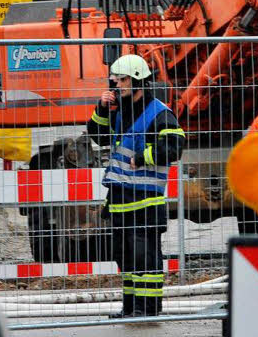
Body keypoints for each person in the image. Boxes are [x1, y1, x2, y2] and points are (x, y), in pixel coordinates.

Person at [87, 54, 185, 318]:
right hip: (120, 199)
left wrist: (143, 158)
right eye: (114, 80)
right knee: (125, 258)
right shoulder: (119, 111)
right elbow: (97, 136)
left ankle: (148, 309)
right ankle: (131, 308)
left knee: (145, 257)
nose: (115, 85)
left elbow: (174, 147)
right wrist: (100, 109)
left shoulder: (159, 113)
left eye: (121, 80)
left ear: (138, 80)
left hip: (145, 201)